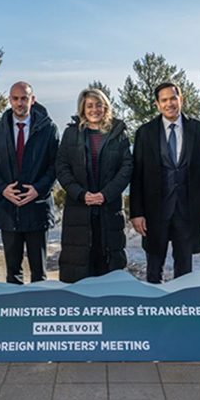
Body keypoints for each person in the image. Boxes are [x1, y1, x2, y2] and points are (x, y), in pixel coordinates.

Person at [130, 82, 200, 283]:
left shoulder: (198, 129)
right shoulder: (145, 132)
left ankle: (183, 307)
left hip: (187, 210)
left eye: (173, 98)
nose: (169, 103)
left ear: (181, 99)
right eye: (164, 100)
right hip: (155, 210)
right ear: (157, 104)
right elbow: (137, 175)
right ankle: (154, 307)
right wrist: (136, 212)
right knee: (154, 270)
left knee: (184, 270)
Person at [56, 88, 133, 283]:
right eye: (89, 105)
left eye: (99, 105)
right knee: (79, 269)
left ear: (106, 107)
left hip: (109, 210)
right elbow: (62, 167)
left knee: (109, 269)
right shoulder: (71, 133)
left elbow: (126, 167)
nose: (94, 109)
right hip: (79, 210)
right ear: (83, 108)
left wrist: (105, 194)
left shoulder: (118, 133)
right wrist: (81, 194)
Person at [0, 82, 59, 284]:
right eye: (15, 98)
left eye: (24, 98)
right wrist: (2, 190)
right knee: (13, 273)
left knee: (39, 274)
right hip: (8, 210)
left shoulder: (48, 129)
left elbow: (56, 165)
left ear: (32, 100)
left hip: (38, 208)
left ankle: (38, 313)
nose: (19, 103)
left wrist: (38, 189)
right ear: (9, 100)